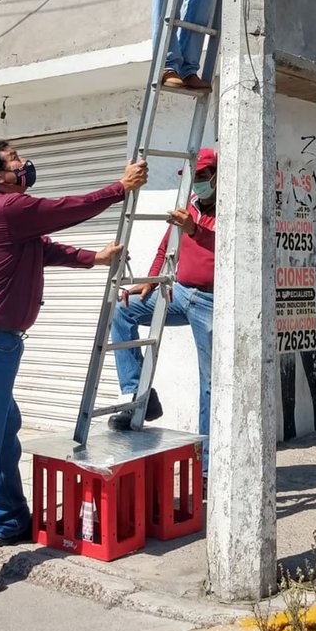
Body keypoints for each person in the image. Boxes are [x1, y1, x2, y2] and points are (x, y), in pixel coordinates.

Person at [0, 140, 148, 599]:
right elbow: (63, 209)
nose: (24, 163)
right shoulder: (6, 209)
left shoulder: (7, 218)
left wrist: (93, 258)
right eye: (14, 159)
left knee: (4, 430)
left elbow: (44, 248)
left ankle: (10, 522)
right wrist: (118, 189)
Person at [109, 148, 217, 481]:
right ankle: (140, 396)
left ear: (217, 176)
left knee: (211, 385)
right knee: (121, 311)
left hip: (212, 302)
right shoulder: (191, 208)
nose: (197, 185)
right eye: (193, 178)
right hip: (178, 292)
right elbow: (164, 246)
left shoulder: (237, 209)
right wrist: (150, 281)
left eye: (202, 177)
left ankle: (207, 471)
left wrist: (196, 231)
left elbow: (235, 247)